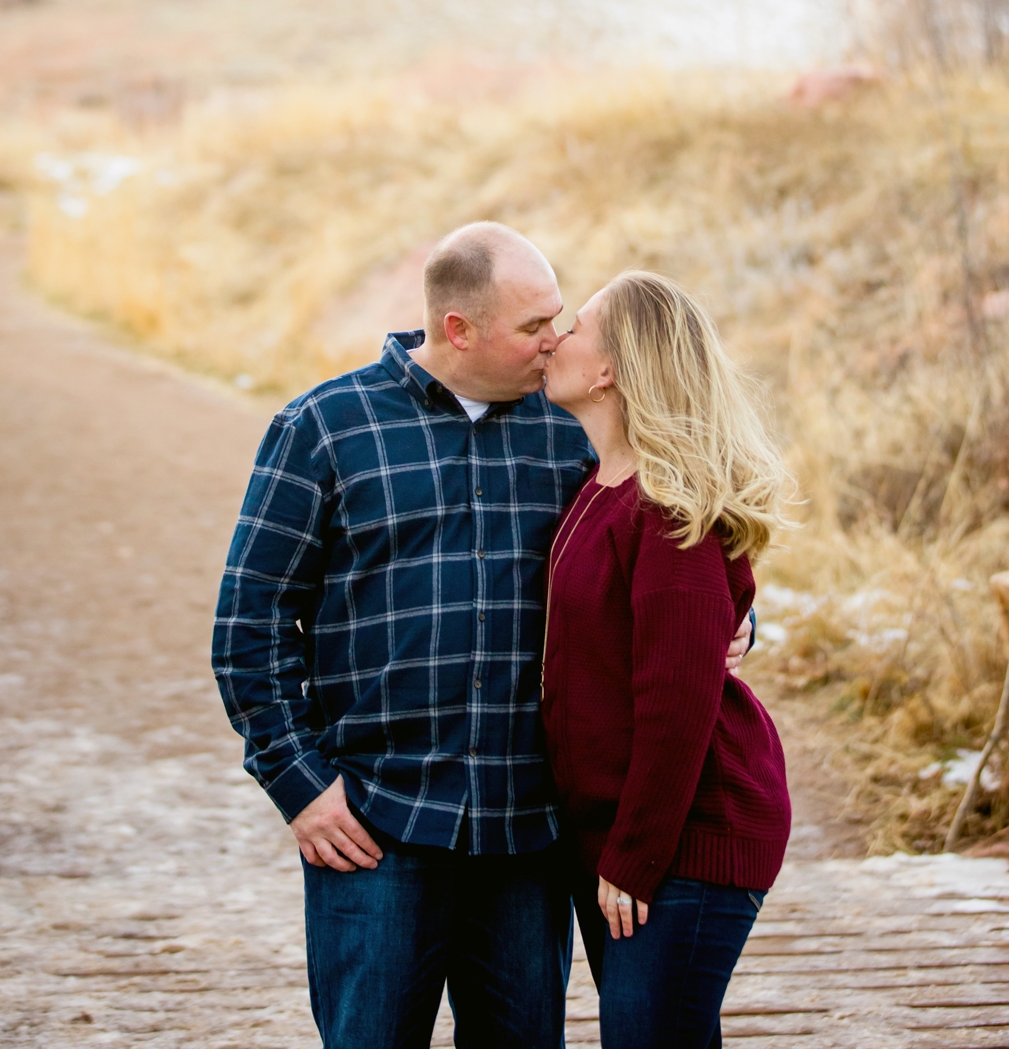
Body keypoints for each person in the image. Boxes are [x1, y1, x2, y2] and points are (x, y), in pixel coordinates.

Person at [212, 222, 752, 1048]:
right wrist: (298, 783)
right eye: (534, 328)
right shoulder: (325, 428)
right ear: (458, 329)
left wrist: (741, 616)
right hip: (377, 825)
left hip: (529, 834)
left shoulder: (575, 427)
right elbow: (248, 624)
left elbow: (677, 541)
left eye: (561, 320)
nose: (555, 342)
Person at [538, 269, 795, 1049]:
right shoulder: (600, 485)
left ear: (612, 367)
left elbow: (676, 701)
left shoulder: (666, 508)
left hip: (689, 837)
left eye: (575, 327)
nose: (554, 338)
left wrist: (636, 858)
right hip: (627, 838)